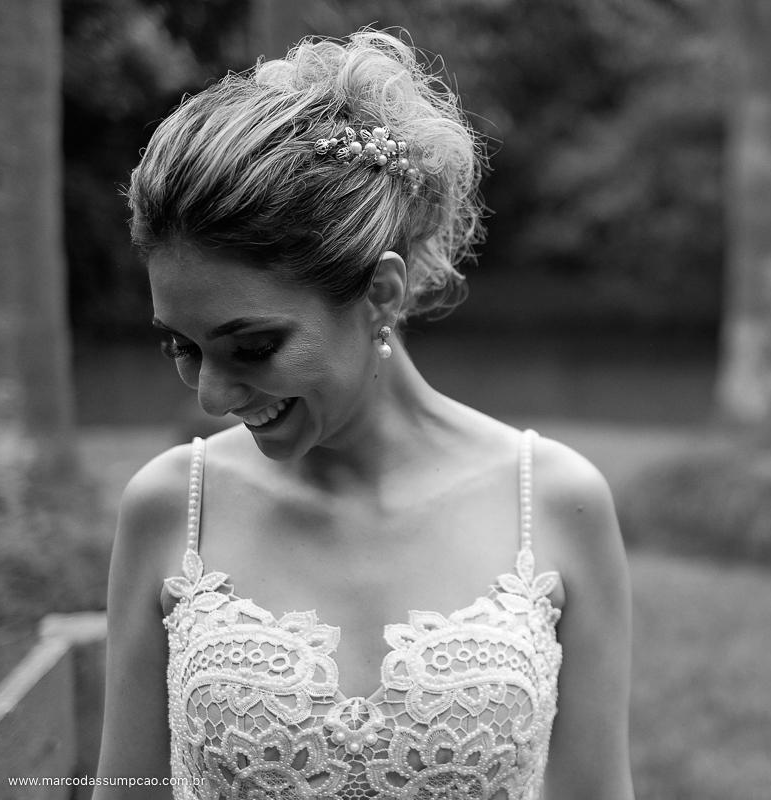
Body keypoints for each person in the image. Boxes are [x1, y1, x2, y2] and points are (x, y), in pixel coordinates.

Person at [93, 30, 634, 800]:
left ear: (380, 294)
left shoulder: (555, 501)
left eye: (252, 346)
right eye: (181, 346)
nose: (210, 396)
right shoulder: (169, 507)